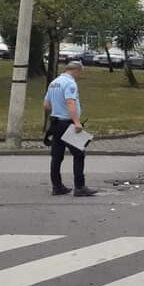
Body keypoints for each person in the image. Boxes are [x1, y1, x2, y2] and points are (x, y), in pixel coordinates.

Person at [43, 60, 97, 197]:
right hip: (66, 124)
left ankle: (57, 186)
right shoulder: (70, 83)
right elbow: (70, 102)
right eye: (80, 73)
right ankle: (79, 187)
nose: (79, 76)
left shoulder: (54, 83)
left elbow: (46, 105)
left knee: (57, 156)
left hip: (55, 123)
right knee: (79, 154)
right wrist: (77, 122)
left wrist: (57, 109)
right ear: (76, 70)